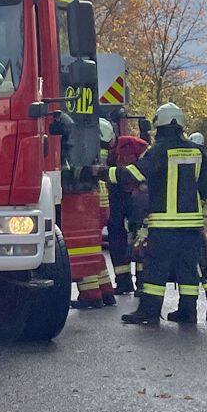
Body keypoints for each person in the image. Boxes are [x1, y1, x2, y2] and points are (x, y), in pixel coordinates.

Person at [119, 104, 207, 326]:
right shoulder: (198, 152)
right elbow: (206, 190)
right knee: (188, 269)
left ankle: (149, 313)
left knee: (155, 269)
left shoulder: (159, 150)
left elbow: (136, 173)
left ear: (159, 125)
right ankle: (188, 312)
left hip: (164, 225)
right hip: (191, 226)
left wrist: (106, 173)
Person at [73, 119, 119, 309]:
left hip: (89, 199)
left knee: (81, 249)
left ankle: (91, 294)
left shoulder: (87, 150)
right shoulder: (102, 153)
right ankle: (106, 290)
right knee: (94, 248)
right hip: (101, 201)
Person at [105, 126, 149, 296]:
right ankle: (123, 282)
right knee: (116, 239)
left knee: (139, 237)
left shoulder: (129, 145)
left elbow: (134, 171)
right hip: (118, 195)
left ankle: (142, 283)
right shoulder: (111, 149)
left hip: (135, 194)